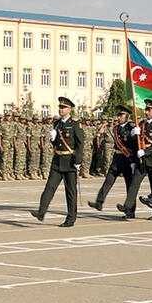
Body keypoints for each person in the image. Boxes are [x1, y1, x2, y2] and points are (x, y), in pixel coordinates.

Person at [30, 97, 83, 227]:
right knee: (49, 187)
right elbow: (56, 142)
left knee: (70, 192)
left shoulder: (75, 123)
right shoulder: (57, 123)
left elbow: (80, 143)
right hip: (58, 160)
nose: (60, 110)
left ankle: (71, 219)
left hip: (70, 161)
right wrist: (52, 139)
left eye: (63, 108)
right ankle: (41, 212)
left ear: (69, 109)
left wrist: (78, 161)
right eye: (59, 107)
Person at [117, 99, 152, 220]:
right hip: (140, 160)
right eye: (146, 109)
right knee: (134, 183)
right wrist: (133, 135)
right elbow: (135, 144)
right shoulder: (142, 124)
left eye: (149, 110)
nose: (147, 112)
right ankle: (128, 206)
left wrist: (145, 152)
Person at [88, 105, 136, 214]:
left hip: (127, 159)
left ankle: (130, 210)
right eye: (118, 115)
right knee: (108, 180)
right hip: (117, 158)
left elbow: (134, 146)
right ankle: (99, 202)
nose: (119, 117)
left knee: (129, 185)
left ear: (127, 117)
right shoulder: (116, 128)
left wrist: (134, 161)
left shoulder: (132, 129)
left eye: (121, 115)